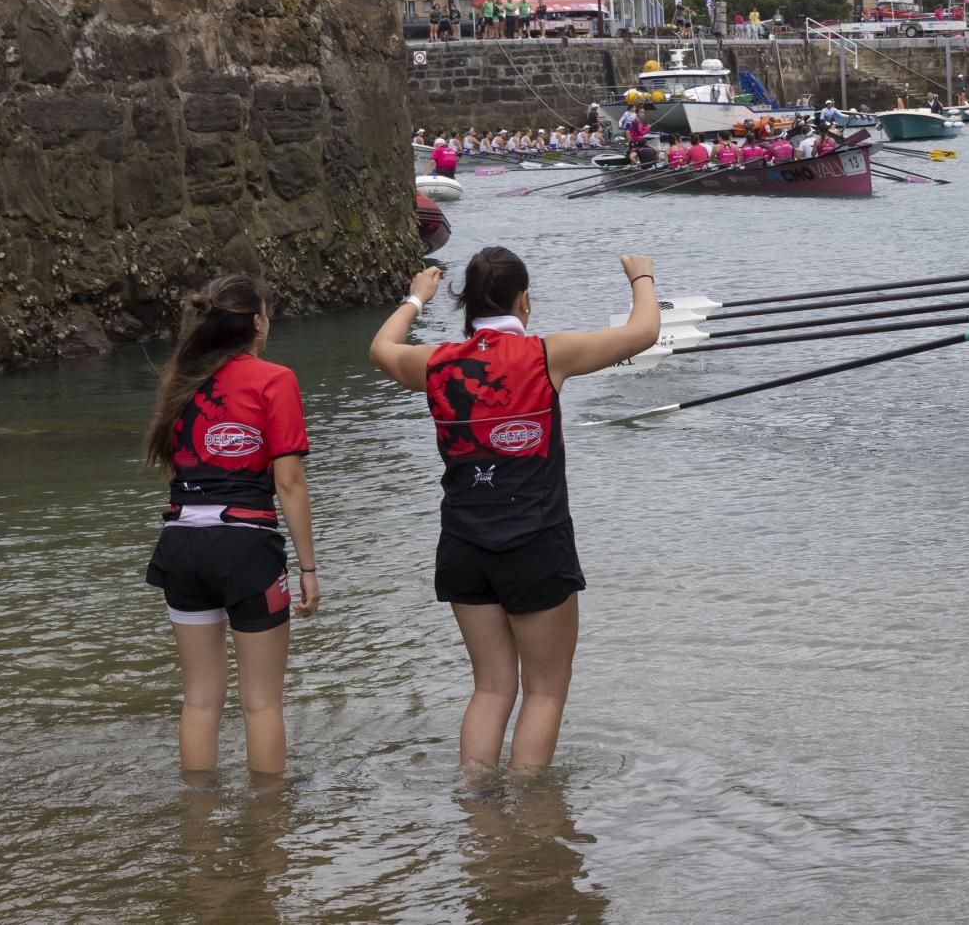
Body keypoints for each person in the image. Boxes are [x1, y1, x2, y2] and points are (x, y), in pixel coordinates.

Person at [368, 249, 660, 773]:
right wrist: (641, 276)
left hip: (462, 548)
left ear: (467, 305)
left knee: (491, 687)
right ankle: (528, 824)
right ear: (524, 300)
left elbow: (381, 348)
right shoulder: (550, 354)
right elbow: (643, 333)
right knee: (544, 692)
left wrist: (416, 297)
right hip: (534, 544)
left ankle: (478, 810)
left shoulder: (435, 363)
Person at [143, 275, 320, 773]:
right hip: (245, 549)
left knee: (200, 700)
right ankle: (267, 835)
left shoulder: (181, 379)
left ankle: (198, 830)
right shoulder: (274, 379)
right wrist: (307, 568)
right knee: (261, 703)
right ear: (258, 323)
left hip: (179, 543)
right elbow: (289, 481)